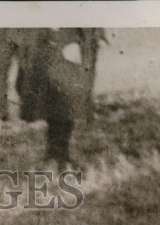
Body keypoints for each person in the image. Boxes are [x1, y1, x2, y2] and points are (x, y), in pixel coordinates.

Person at [13, 28, 103, 166]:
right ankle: (55, 153)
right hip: (50, 43)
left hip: (67, 42)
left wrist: (75, 41)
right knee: (55, 100)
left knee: (67, 100)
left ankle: (60, 153)